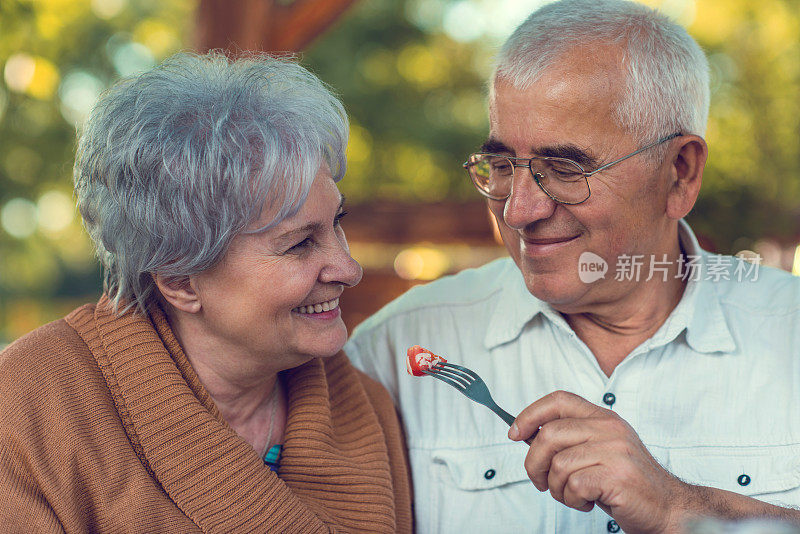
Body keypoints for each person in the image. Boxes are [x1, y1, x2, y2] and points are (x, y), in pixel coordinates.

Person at [345, 1, 800, 532]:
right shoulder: (395, 351)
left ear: (679, 173)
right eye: (500, 166)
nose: (519, 211)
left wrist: (680, 508)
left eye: (563, 168)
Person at [0, 51, 412, 533]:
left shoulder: (364, 408)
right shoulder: (28, 403)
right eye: (299, 244)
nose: (348, 268)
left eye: (337, 223)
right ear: (179, 280)